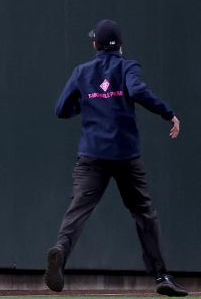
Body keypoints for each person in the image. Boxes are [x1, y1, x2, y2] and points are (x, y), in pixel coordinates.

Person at [45, 19, 187, 297]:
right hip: (125, 156)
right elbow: (137, 91)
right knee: (144, 214)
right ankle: (162, 275)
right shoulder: (128, 67)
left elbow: (61, 109)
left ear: (96, 44)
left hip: (92, 155)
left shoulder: (82, 72)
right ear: (120, 45)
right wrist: (167, 112)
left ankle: (60, 251)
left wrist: (88, 102)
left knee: (78, 210)